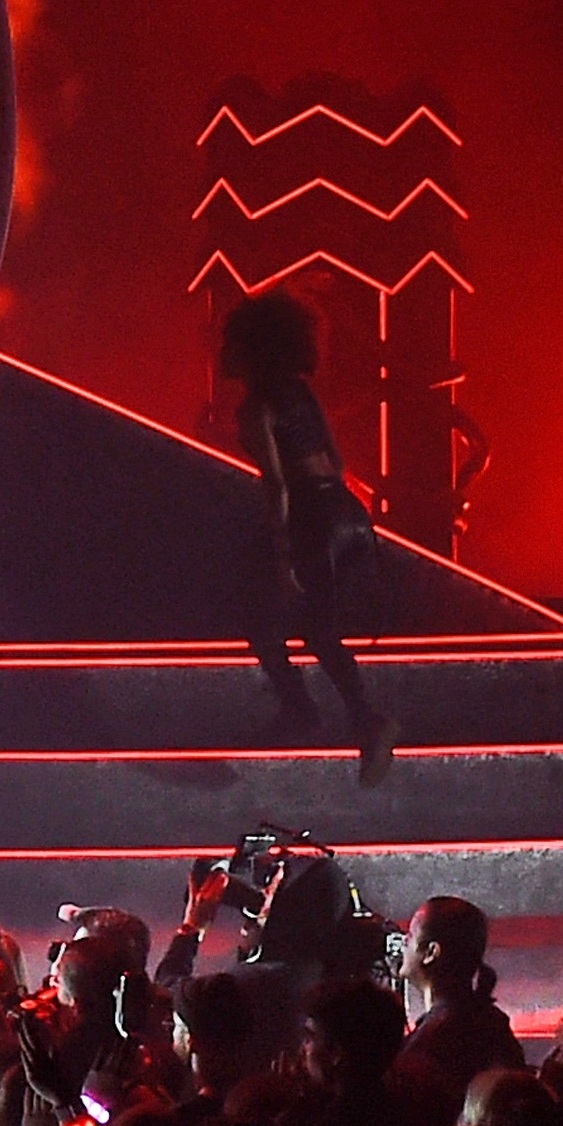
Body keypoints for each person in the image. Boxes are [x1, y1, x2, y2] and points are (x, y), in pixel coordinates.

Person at [226, 294, 389, 778]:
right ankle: (352, 719)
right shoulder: (300, 393)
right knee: (315, 625)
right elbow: (335, 461)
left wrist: (284, 553)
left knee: (270, 622)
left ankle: (328, 715)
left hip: (312, 516)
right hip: (344, 510)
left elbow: (276, 482)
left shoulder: (256, 407)